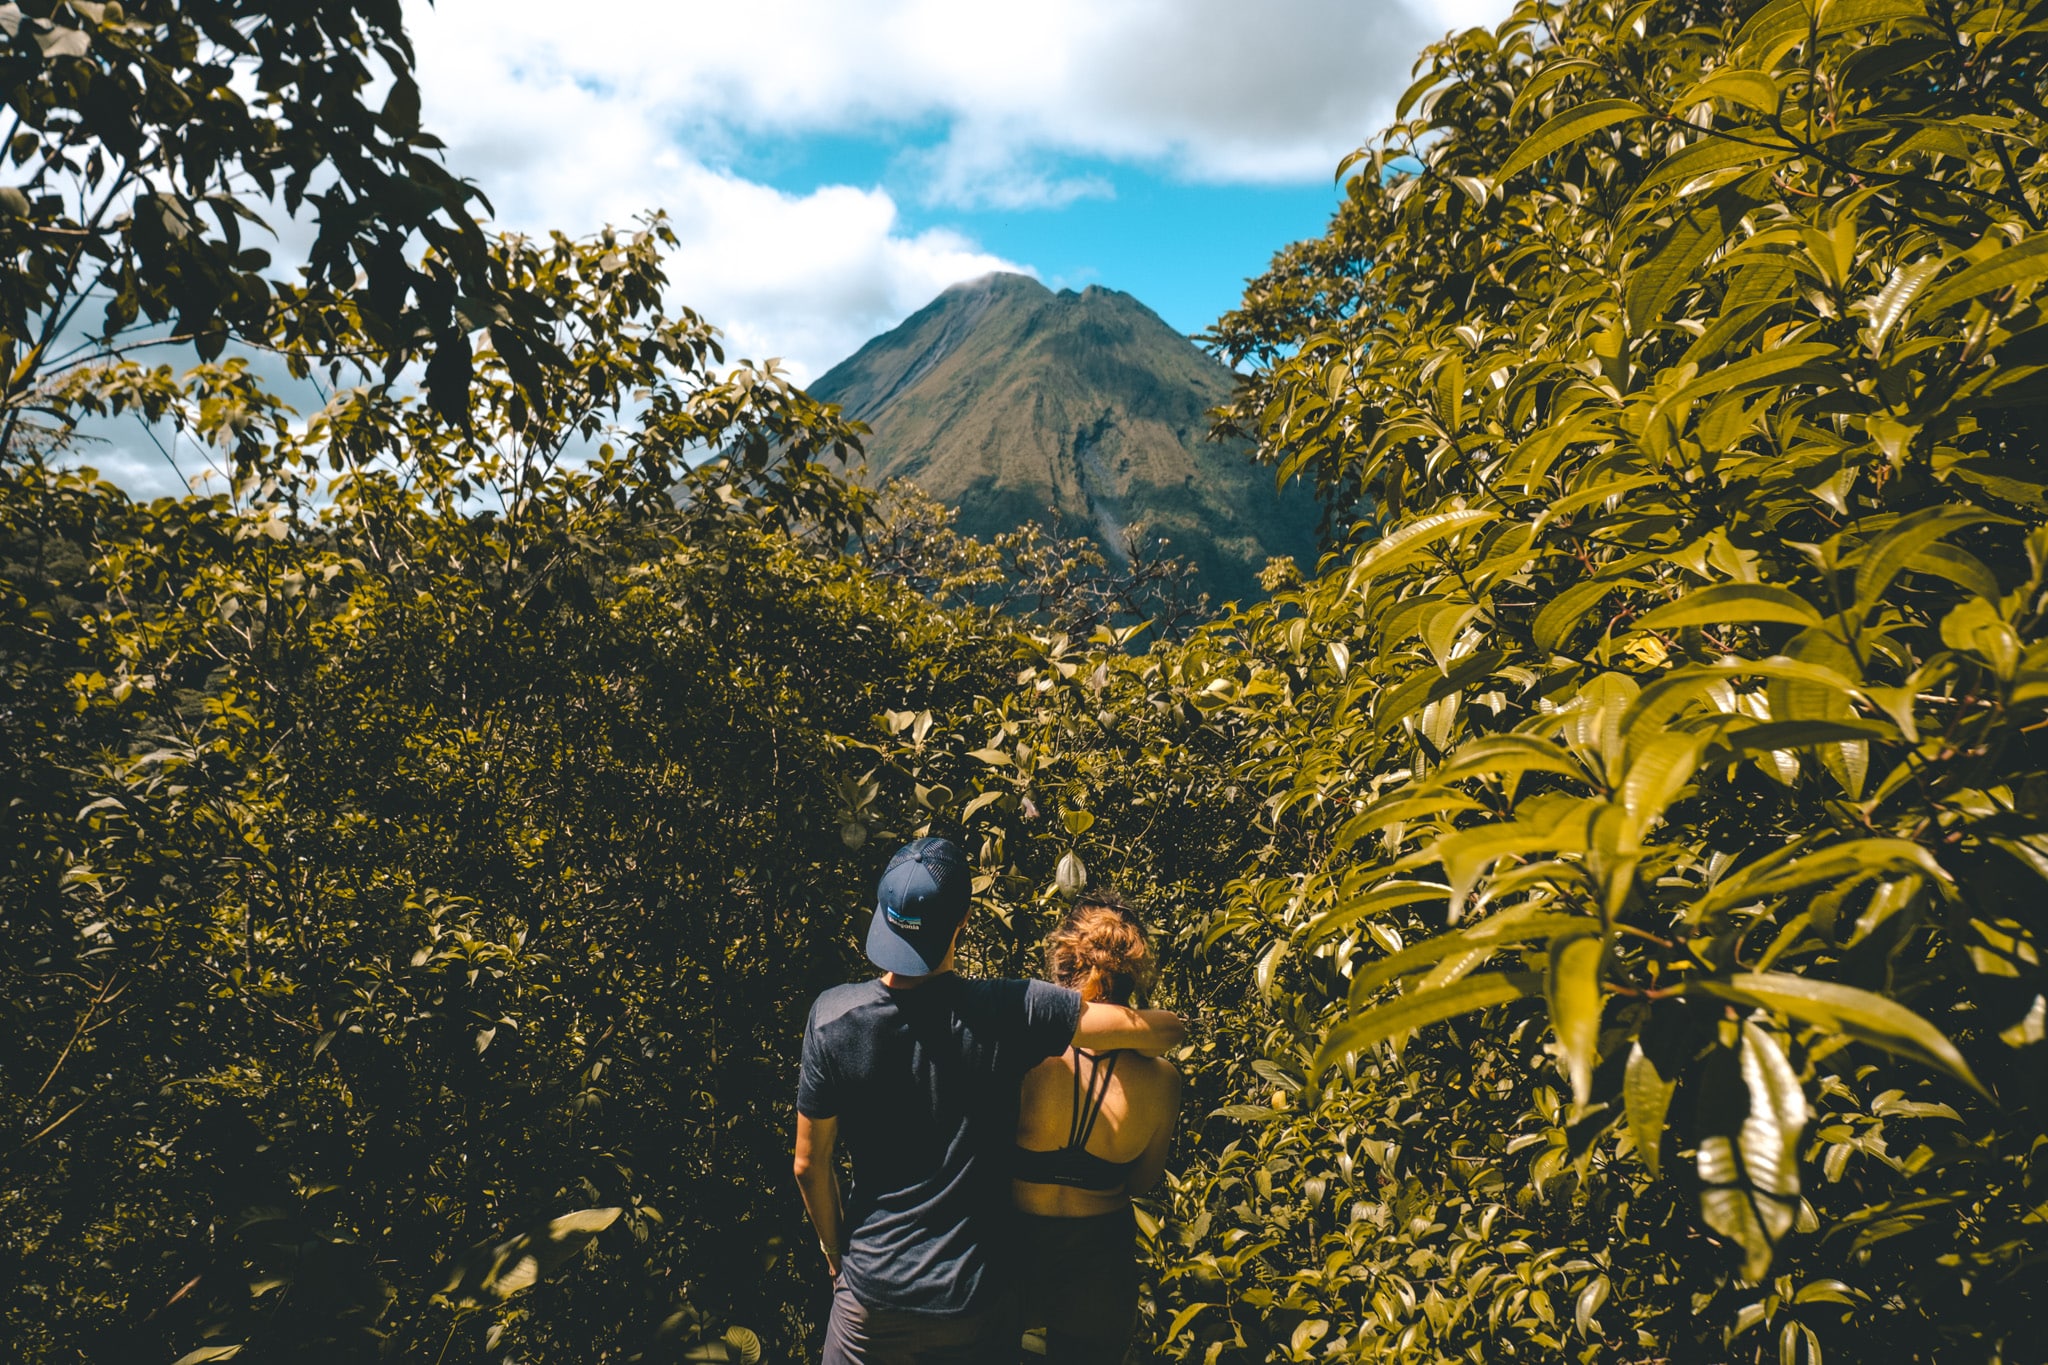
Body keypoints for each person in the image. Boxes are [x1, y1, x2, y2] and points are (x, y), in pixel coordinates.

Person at [793, 839, 1187, 1365]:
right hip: (1004, 1291)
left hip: (902, 1285)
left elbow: (807, 1165)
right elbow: (1162, 1041)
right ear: (963, 921)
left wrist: (834, 1252)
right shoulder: (1012, 1013)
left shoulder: (833, 1015)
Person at [1011, 892, 1180, 1364]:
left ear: (1062, 963)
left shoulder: (1023, 1054)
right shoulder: (1162, 1079)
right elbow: (1143, 1180)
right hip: (1099, 1263)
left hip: (1012, 1249)